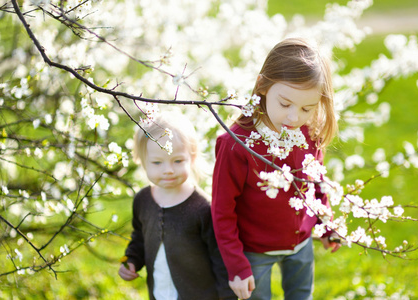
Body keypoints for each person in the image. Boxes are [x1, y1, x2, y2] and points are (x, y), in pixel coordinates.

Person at [211, 38, 341, 300]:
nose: (294, 118)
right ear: (262, 85)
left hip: (301, 244)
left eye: (307, 108)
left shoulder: (310, 130)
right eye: (285, 104)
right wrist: (236, 265)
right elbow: (222, 210)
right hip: (254, 251)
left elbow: (317, 182)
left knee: (301, 295)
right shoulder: (237, 144)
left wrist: (326, 223)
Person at [119, 111, 236, 300]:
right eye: (157, 162)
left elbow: (220, 258)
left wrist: (227, 297)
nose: (168, 170)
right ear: (142, 161)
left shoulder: (202, 208)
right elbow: (139, 237)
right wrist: (131, 260)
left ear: (192, 157)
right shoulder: (143, 200)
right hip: (159, 293)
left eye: (178, 161)